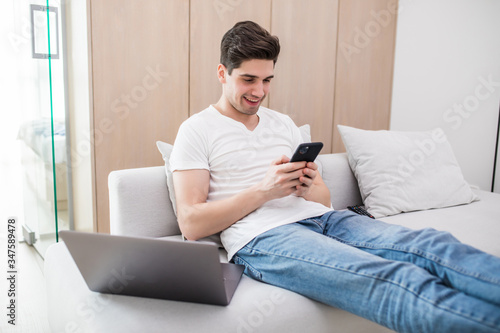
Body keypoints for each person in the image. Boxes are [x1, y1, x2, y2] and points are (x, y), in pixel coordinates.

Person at [170, 21, 500, 333]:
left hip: (325, 220)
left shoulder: (282, 123)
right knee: (390, 279)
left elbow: (324, 200)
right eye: (248, 79)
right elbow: (192, 224)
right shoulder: (197, 130)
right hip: (262, 237)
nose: (259, 91)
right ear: (222, 73)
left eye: (267, 80)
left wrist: (309, 184)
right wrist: (264, 191)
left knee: (432, 245)